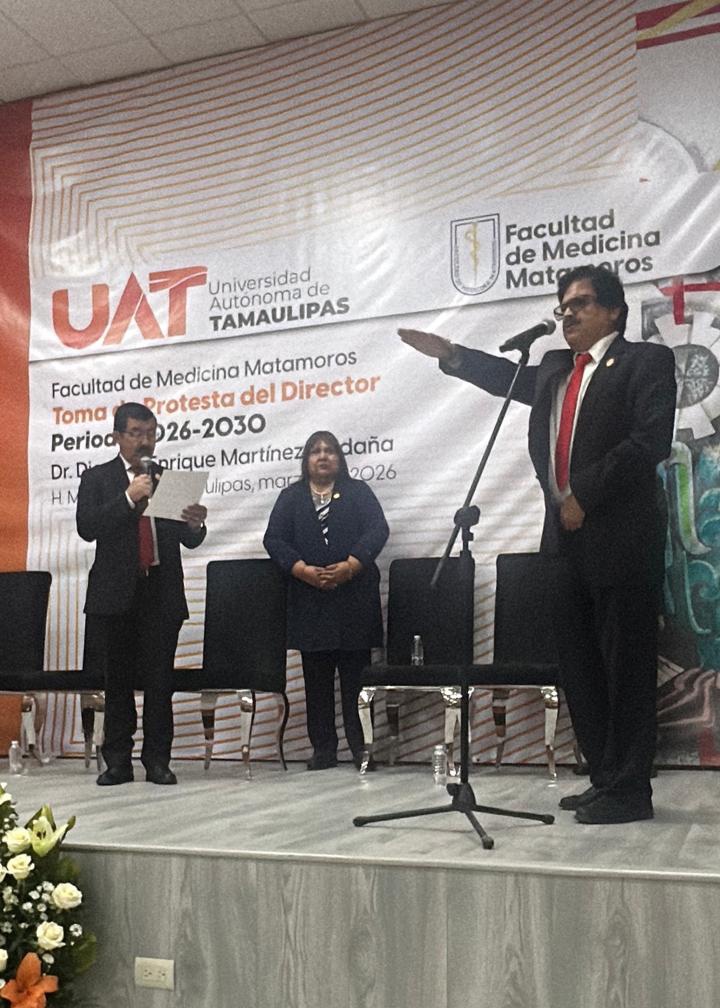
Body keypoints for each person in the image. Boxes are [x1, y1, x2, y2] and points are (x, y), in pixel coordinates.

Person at [400, 264, 677, 824]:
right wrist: (453, 355)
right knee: (580, 664)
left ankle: (631, 790)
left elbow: (649, 441)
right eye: (563, 305)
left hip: (620, 536)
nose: (568, 313)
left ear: (613, 311)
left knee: (625, 664)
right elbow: (507, 379)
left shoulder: (646, 362)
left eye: (580, 303)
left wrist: (584, 494)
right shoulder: (554, 369)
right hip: (563, 541)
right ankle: (604, 777)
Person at [77, 402, 207, 786]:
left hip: (161, 593)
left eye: (150, 433)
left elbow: (188, 539)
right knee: (117, 682)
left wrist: (195, 525)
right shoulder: (97, 478)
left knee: (159, 683)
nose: (144, 441)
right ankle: (118, 762)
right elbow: (87, 527)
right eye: (136, 433)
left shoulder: (168, 479)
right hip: (115, 595)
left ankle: (158, 761)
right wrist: (128, 498)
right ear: (117, 436)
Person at [263, 431, 389, 770]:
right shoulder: (291, 497)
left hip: (353, 599)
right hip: (310, 600)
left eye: (329, 451)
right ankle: (323, 749)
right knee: (316, 681)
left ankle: (361, 747)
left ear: (339, 458)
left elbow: (378, 530)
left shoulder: (358, 492)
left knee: (356, 681)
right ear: (306, 460)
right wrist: (301, 569)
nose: (322, 456)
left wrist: (351, 565)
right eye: (315, 451)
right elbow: (273, 539)